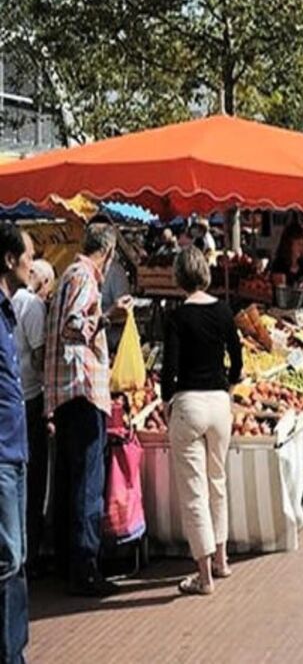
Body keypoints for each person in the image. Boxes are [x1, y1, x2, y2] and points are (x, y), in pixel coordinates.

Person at [44, 224, 132, 596]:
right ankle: (85, 568)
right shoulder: (84, 277)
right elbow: (74, 326)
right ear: (108, 254)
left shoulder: (68, 274)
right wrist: (109, 314)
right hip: (81, 391)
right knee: (87, 484)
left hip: (66, 393)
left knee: (69, 478)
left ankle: (67, 562)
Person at [161, 247, 241, 596]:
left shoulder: (177, 318)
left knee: (194, 491)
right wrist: (230, 385)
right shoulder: (224, 311)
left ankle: (204, 575)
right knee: (217, 482)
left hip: (190, 402)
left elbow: (170, 370)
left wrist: (167, 402)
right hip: (220, 403)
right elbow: (237, 360)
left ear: (179, 276)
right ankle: (222, 559)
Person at [0, 224, 33, 662]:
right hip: (2, 455)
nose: (33, 261)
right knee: (8, 561)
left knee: (17, 559)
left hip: (16, 449)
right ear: (9, 260)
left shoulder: (9, 313)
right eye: (28, 254)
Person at [13, 260, 54, 579]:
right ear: (44, 282)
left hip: (13, 396)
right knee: (34, 476)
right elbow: (41, 356)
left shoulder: (10, 301)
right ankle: (31, 550)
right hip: (31, 396)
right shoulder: (33, 306)